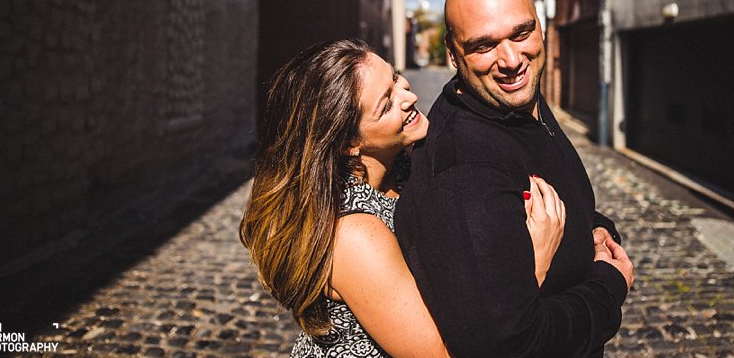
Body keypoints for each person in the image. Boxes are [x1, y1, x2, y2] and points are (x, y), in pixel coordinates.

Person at [239, 38, 569, 358]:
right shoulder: (354, 236)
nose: (407, 96)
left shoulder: (407, 164)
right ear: (349, 143)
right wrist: (532, 265)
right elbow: (439, 354)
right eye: (386, 104)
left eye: (395, 78)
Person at [395, 0, 635, 358]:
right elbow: (509, 345)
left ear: (539, 27)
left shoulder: (520, 103)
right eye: (484, 46)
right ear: (454, 53)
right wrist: (610, 285)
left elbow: (562, 188)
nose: (511, 60)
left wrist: (592, 228)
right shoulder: (464, 169)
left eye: (521, 33)